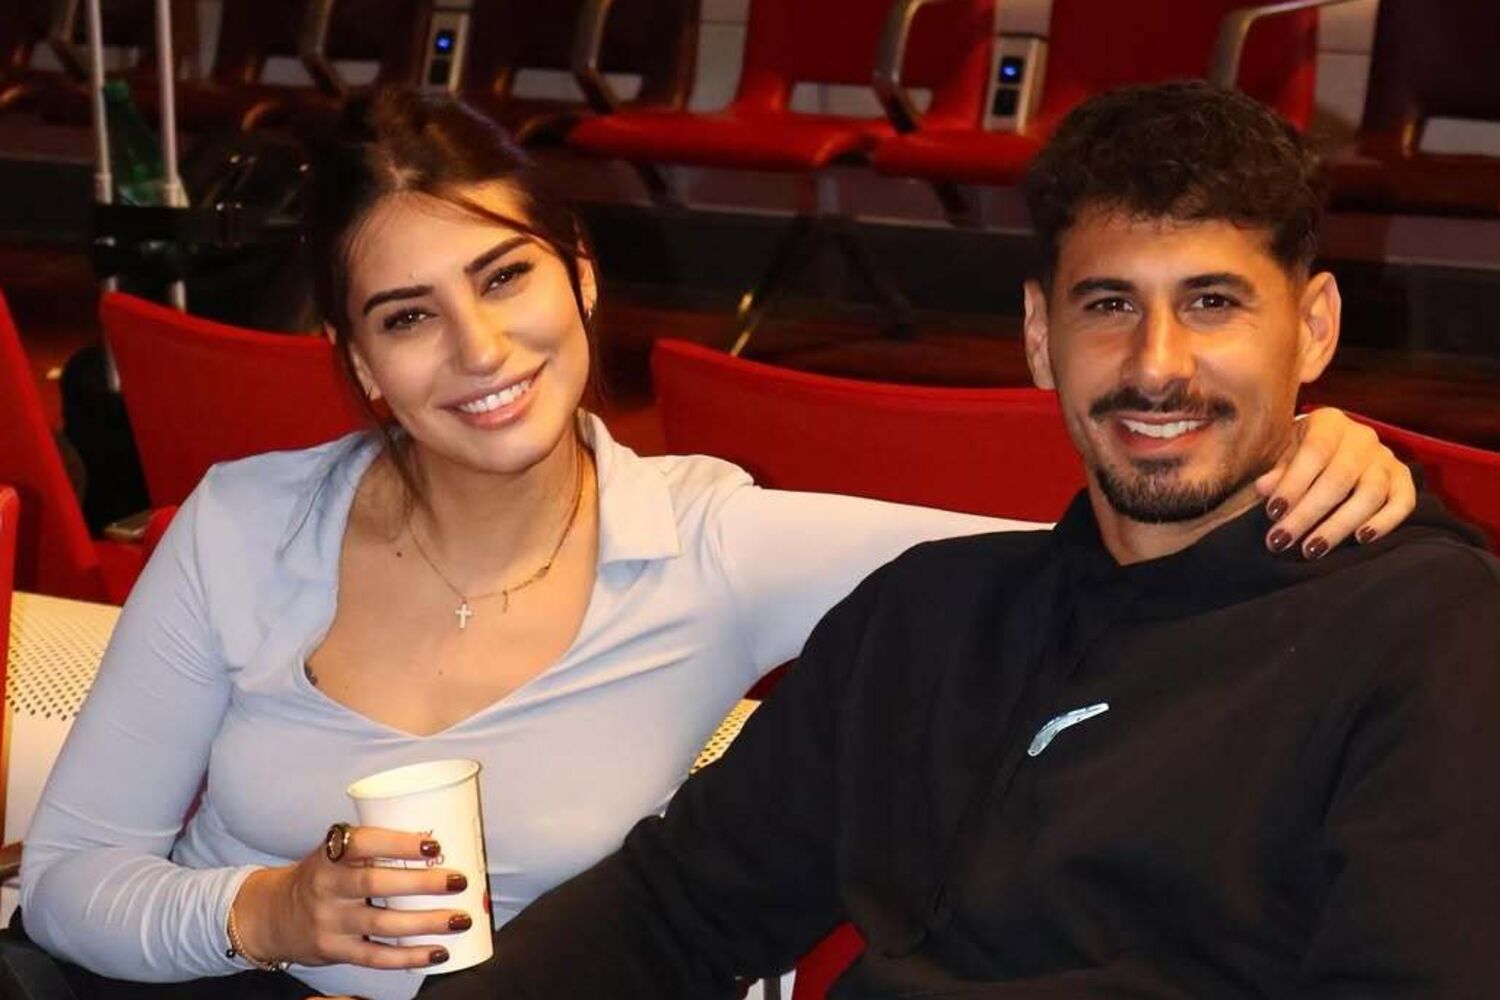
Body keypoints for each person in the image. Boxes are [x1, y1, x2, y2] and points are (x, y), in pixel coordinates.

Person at [16, 89, 1416, 1000]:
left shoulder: (714, 547)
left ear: (579, 277)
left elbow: (1110, 541)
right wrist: (266, 912)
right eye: (408, 316)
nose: (480, 349)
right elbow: (69, 883)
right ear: (360, 360)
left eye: (505, 278)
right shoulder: (247, 524)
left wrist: (1318, 453)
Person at [461, 82, 1500, 998]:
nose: (1157, 364)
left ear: (1313, 328)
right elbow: (671, 907)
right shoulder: (925, 617)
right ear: (1041, 336)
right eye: (1109, 305)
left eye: (1213, 303)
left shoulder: (1425, 638)